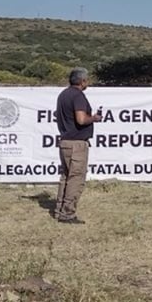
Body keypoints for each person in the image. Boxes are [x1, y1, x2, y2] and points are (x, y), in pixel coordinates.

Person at [54, 67, 103, 224]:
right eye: (86, 80)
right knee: (76, 178)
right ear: (82, 81)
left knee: (66, 177)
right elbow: (81, 120)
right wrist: (94, 118)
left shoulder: (63, 95)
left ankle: (59, 210)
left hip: (65, 141)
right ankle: (68, 213)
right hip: (76, 143)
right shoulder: (78, 96)